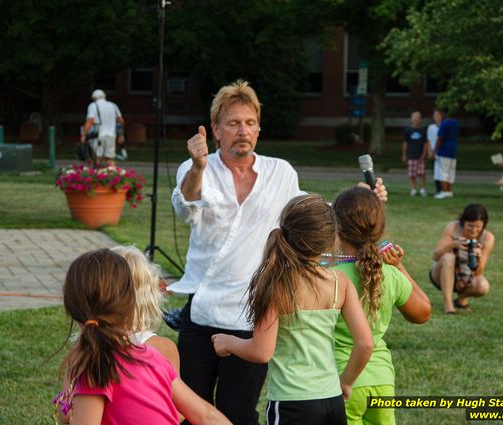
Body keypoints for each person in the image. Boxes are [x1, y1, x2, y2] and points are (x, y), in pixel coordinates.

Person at [169, 79, 387, 424]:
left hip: (253, 312)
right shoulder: (196, 167)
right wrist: (197, 167)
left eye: (250, 122)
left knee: (237, 413)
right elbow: (186, 206)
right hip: (202, 314)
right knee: (188, 410)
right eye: (233, 122)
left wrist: (358, 201)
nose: (243, 130)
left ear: (258, 127)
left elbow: (311, 214)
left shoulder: (279, 172)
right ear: (215, 129)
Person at [211, 194, 374, 425]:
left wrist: (228, 342)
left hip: (292, 402)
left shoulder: (277, 286)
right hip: (332, 399)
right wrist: (346, 382)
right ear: (331, 240)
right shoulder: (340, 282)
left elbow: (261, 351)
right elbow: (366, 343)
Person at [55, 248, 230, 425]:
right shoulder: (151, 356)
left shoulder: (95, 366)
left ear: (71, 308)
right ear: (131, 302)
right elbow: (206, 415)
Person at [331, 187, 431, 425]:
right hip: (382, 381)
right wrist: (399, 267)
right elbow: (423, 312)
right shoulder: (389, 273)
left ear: (336, 228)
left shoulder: (329, 277)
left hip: (341, 380)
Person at [110, 245, 179, 371]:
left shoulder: (87, 346)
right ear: (151, 294)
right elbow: (172, 390)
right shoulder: (163, 348)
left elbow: (68, 391)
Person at [429, 204, 495, 314]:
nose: (474, 230)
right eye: (470, 226)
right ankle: (448, 305)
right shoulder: (453, 228)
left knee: (483, 286)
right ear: (463, 222)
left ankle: (461, 299)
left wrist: (478, 258)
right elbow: (436, 256)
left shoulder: (488, 238)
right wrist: (453, 244)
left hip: (465, 277)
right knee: (449, 257)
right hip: (440, 274)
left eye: (478, 227)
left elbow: (479, 273)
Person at [80, 89, 125, 166]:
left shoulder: (93, 105)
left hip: (98, 136)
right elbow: (121, 121)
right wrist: (120, 134)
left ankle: (97, 176)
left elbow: (90, 121)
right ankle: (113, 175)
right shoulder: (113, 105)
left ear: (94, 98)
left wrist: (84, 134)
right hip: (111, 135)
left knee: (97, 158)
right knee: (110, 158)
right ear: (104, 97)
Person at [432, 110, 459, 199]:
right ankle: (449, 191)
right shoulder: (455, 123)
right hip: (453, 150)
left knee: (442, 172)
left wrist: (435, 151)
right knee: (451, 172)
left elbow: (440, 138)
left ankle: (444, 191)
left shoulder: (444, 123)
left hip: (444, 150)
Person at [402, 111, 428, 197]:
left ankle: (423, 189)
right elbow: (405, 143)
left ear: (420, 119)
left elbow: (425, 143)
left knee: (421, 173)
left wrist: (424, 153)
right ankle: (413, 189)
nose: (416, 119)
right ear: (411, 119)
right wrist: (404, 155)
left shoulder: (423, 130)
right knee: (412, 174)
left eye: (418, 117)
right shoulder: (408, 130)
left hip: (420, 155)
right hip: (411, 155)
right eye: (414, 117)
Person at [426, 109, 443, 194]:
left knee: (442, 172)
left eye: (438, 115)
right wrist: (429, 151)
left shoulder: (444, 126)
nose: (436, 117)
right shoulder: (431, 127)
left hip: (441, 153)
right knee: (435, 172)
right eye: (435, 115)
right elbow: (429, 140)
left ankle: (444, 189)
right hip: (433, 153)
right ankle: (438, 189)